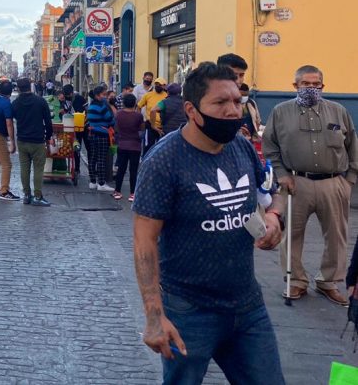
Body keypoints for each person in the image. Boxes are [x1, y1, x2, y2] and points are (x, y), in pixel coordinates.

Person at [133, 62, 285, 384]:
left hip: (247, 307)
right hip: (189, 310)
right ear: (192, 110)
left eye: (236, 101)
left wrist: (274, 218)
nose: (233, 111)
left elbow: (270, 193)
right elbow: (144, 241)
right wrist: (154, 315)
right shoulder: (163, 161)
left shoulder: (241, 146)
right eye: (220, 103)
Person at [262, 64, 358, 305]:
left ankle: (329, 281)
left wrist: (349, 181)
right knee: (291, 235)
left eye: (316, 84)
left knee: (337, 236)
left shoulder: (338, 111)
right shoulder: (280, 112)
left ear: (323, 86)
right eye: (306, 84)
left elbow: (353, 146)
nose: (312, 89)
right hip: (295, 182)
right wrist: (282, 174)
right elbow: (270, 147)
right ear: (295, 86)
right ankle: (296, 281)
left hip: (333, 183)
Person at [12, 77, 53, 206]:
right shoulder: (40, 101)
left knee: (24, 168)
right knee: (38, 169)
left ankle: (26, 195)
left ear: (18, 88)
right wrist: (48, 137)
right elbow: (48, 122)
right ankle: (38, 196)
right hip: (37, 140)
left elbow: (11, 119)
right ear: (30, 86)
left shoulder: (15, 103)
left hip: (22, 140)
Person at [114, 93, 144, 201]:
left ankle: (117, 191)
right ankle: (132, 193)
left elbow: (116, 129)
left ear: (124, 103)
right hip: (135, 145)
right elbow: (141, 129)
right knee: (133, 170)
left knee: (121, 169)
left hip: (122, 144)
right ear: (135, 103)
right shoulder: (138, 116)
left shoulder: (118, 114)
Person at [86, 84, 115, 192]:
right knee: (101, 159)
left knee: (93, 158)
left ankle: (92, 181)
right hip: (102, 135)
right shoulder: (102, 106)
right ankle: (101, 183)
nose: (105, 97)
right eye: (103, 94)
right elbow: (111, 120)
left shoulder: (91, 106)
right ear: (98, 95)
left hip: (92, 134)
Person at [138, 77, 167, 156]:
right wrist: (140, 119)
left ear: (164, 86)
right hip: (150, 125)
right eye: (156, 84)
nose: (158, 86)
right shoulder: (148, 95)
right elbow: (139, 106)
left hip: (162, 126)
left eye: (160, 85)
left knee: (161, 147)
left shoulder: (167, 96)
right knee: (148, 145)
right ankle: (144, 160)